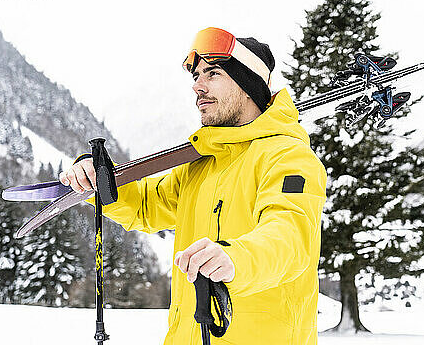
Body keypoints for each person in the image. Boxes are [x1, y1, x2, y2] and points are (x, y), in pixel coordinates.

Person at [59, 27, 327, 344]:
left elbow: (289, 237)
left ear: (247, 86)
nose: (198, 86)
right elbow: (145, 206)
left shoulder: (288, 157)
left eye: (212, 73)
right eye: (196, 76)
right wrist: (101, 179)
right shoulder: (202, 164)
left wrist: (236, 257)